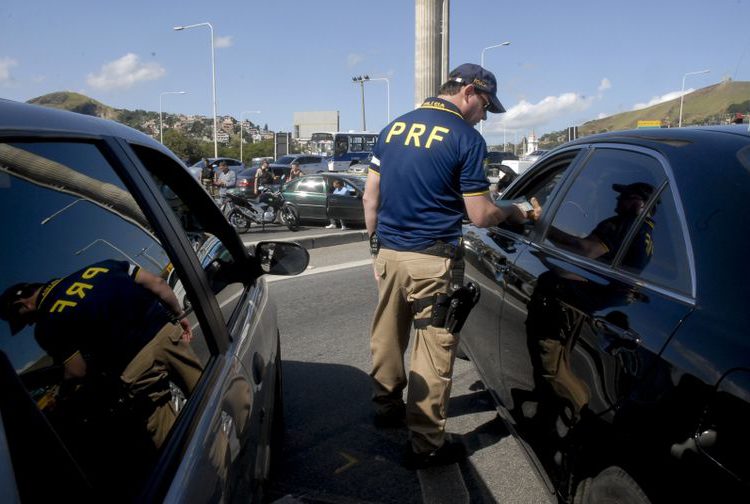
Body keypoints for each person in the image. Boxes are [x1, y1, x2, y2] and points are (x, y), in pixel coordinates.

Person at [362, 63, 541, 469]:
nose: (484, 116)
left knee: (387, 331)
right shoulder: (466, 138)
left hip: (389, 251)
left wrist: (375, 250)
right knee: (433, 346)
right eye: (485, 106)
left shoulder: (393, 128)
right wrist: (512, 211)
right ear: (469, 93)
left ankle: (386, 405)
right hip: (433, 258)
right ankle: (426, 444)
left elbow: (370, 197)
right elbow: (479, 215)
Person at [0, 259, 203, 449]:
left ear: (22, 305)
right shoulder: (103, 266)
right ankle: (236, 411)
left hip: (134, 366)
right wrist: (178, 314)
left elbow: (77, 371)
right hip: (166, 335)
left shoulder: (46, 325)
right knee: (207, 391)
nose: (29, 324)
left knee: (174, 439)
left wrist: (62, 394)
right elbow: (158, 283)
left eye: (22, 320)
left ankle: (206, 478)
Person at [546, 182, 655, 271]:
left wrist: (543, 226)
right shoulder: (646, 234)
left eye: (625, 196)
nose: (618, 198)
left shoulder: (623, 224)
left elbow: (584, 250)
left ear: (641, 204)